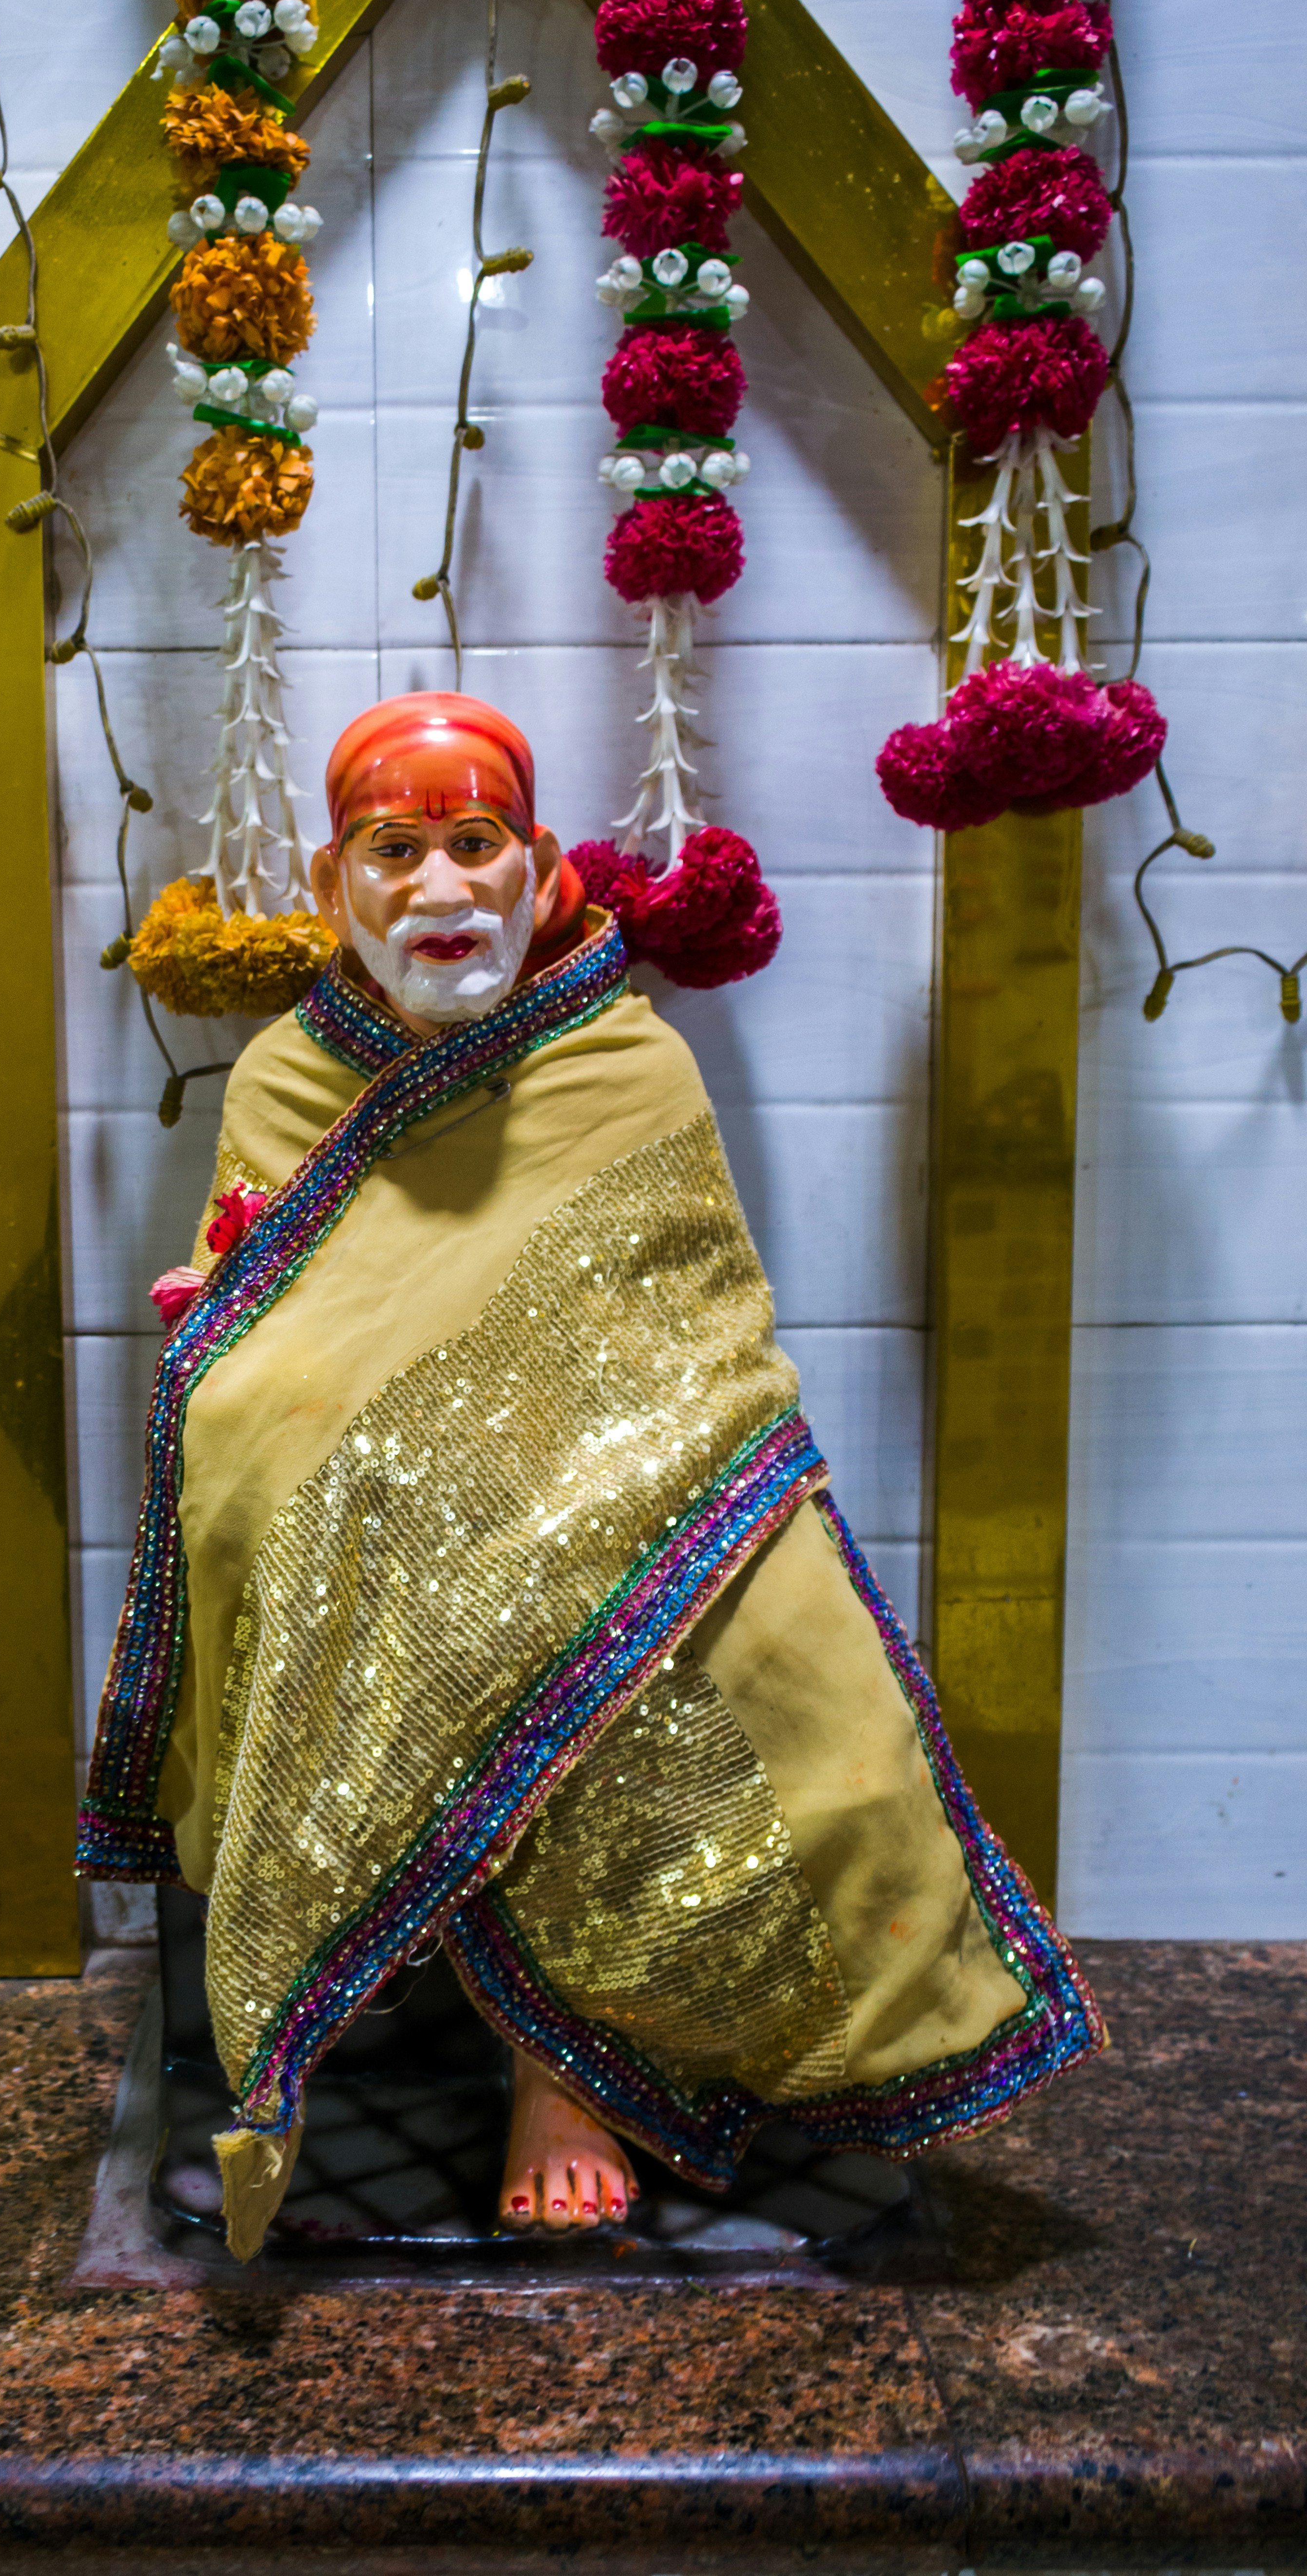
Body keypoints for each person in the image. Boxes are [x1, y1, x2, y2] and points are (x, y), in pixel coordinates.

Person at [77, 691, 1104, 2261]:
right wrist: (241, 1351)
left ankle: (568, 2077)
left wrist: (571, 1478)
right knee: (284, 1493)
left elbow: (696, 1339)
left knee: (735, 1646)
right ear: (328, 876)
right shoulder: (289, 1074)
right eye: (396, 849)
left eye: (474, 844)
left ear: (538, 861)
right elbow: (269, 1340)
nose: (440, 891)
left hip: (633, 1477)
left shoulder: (628, 1062)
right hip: (393, 1496)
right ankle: (377, 2005)